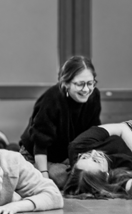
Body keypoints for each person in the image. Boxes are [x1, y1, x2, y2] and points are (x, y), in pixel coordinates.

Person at [19, 56, 101, 187]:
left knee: (89, 178)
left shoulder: (94, 96)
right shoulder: (51, 99)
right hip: (37, 155)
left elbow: (93, 134)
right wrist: (44, 177)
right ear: (66, 83)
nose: (86, 90)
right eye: (80, 84)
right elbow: (40, 144)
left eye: (90, 83)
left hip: (65, 156)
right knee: (66, 180)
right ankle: (2, 145)